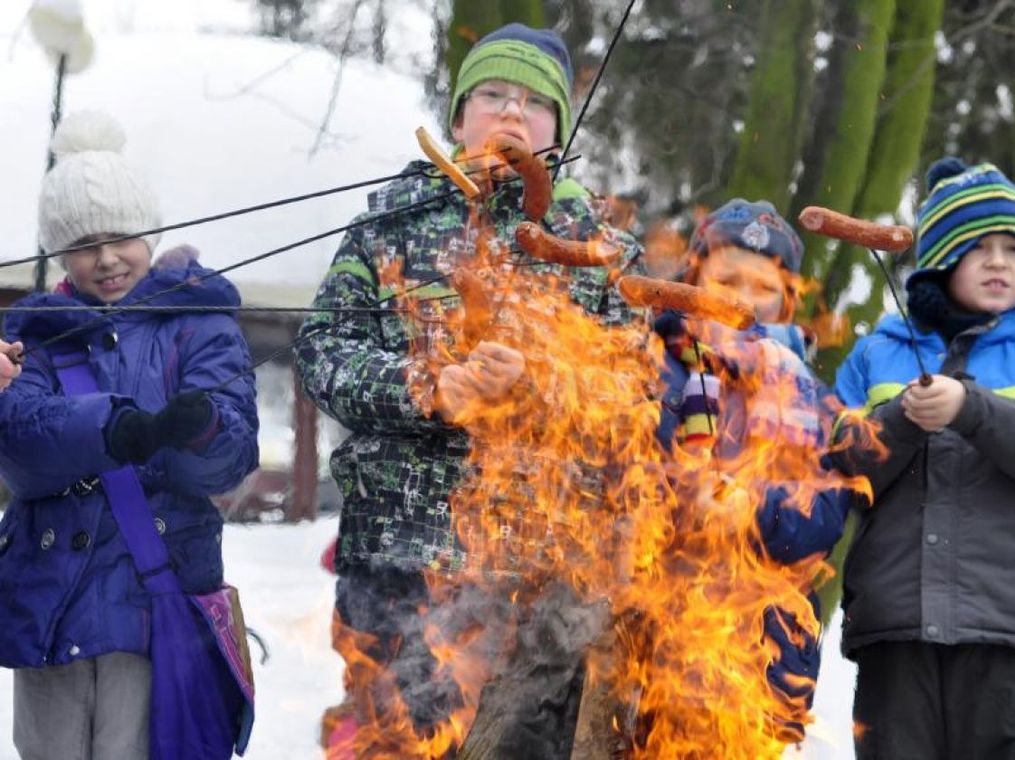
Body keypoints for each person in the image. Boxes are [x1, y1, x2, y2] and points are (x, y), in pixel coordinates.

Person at [294, 22, 641, 758]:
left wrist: (539, 387)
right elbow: (322, 353)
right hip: (399, 562)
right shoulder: (389, 224)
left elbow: (633, 392)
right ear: (458, 117)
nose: (512, 113)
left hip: (538, 580)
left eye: (534, 103)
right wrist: (428, 386)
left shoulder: (596, 244)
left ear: (558, 128)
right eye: (492, 96)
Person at [0, 110, 259, 759]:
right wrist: (115, 429)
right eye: (85, 243)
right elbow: (22, 449)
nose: (107, 257)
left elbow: (228, 462)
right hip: (50, 609)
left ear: (150, 230)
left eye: (121, 235)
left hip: (154, 606)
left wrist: (198, 430)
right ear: (60, 252)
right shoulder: (31, 334)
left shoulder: (200, 324)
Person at [832, 158, 1015, 759]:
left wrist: (974, 410)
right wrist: (903, 419)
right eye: (977, 245)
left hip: (1010, 631)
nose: (998, 261)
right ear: (938, 260)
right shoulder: (874, 356)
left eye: (1014, 248)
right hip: (894, 628)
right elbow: (838, 469)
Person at [651, 198, 850, 744]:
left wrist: (753, 507)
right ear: (693, 279)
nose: (744, 299)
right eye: (727, 280)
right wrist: (691, 494)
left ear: (787, 303)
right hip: (652, 639)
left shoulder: (814, 398)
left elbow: (827, 516)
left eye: (764, 288)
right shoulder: (649, 364)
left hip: (763, 654)